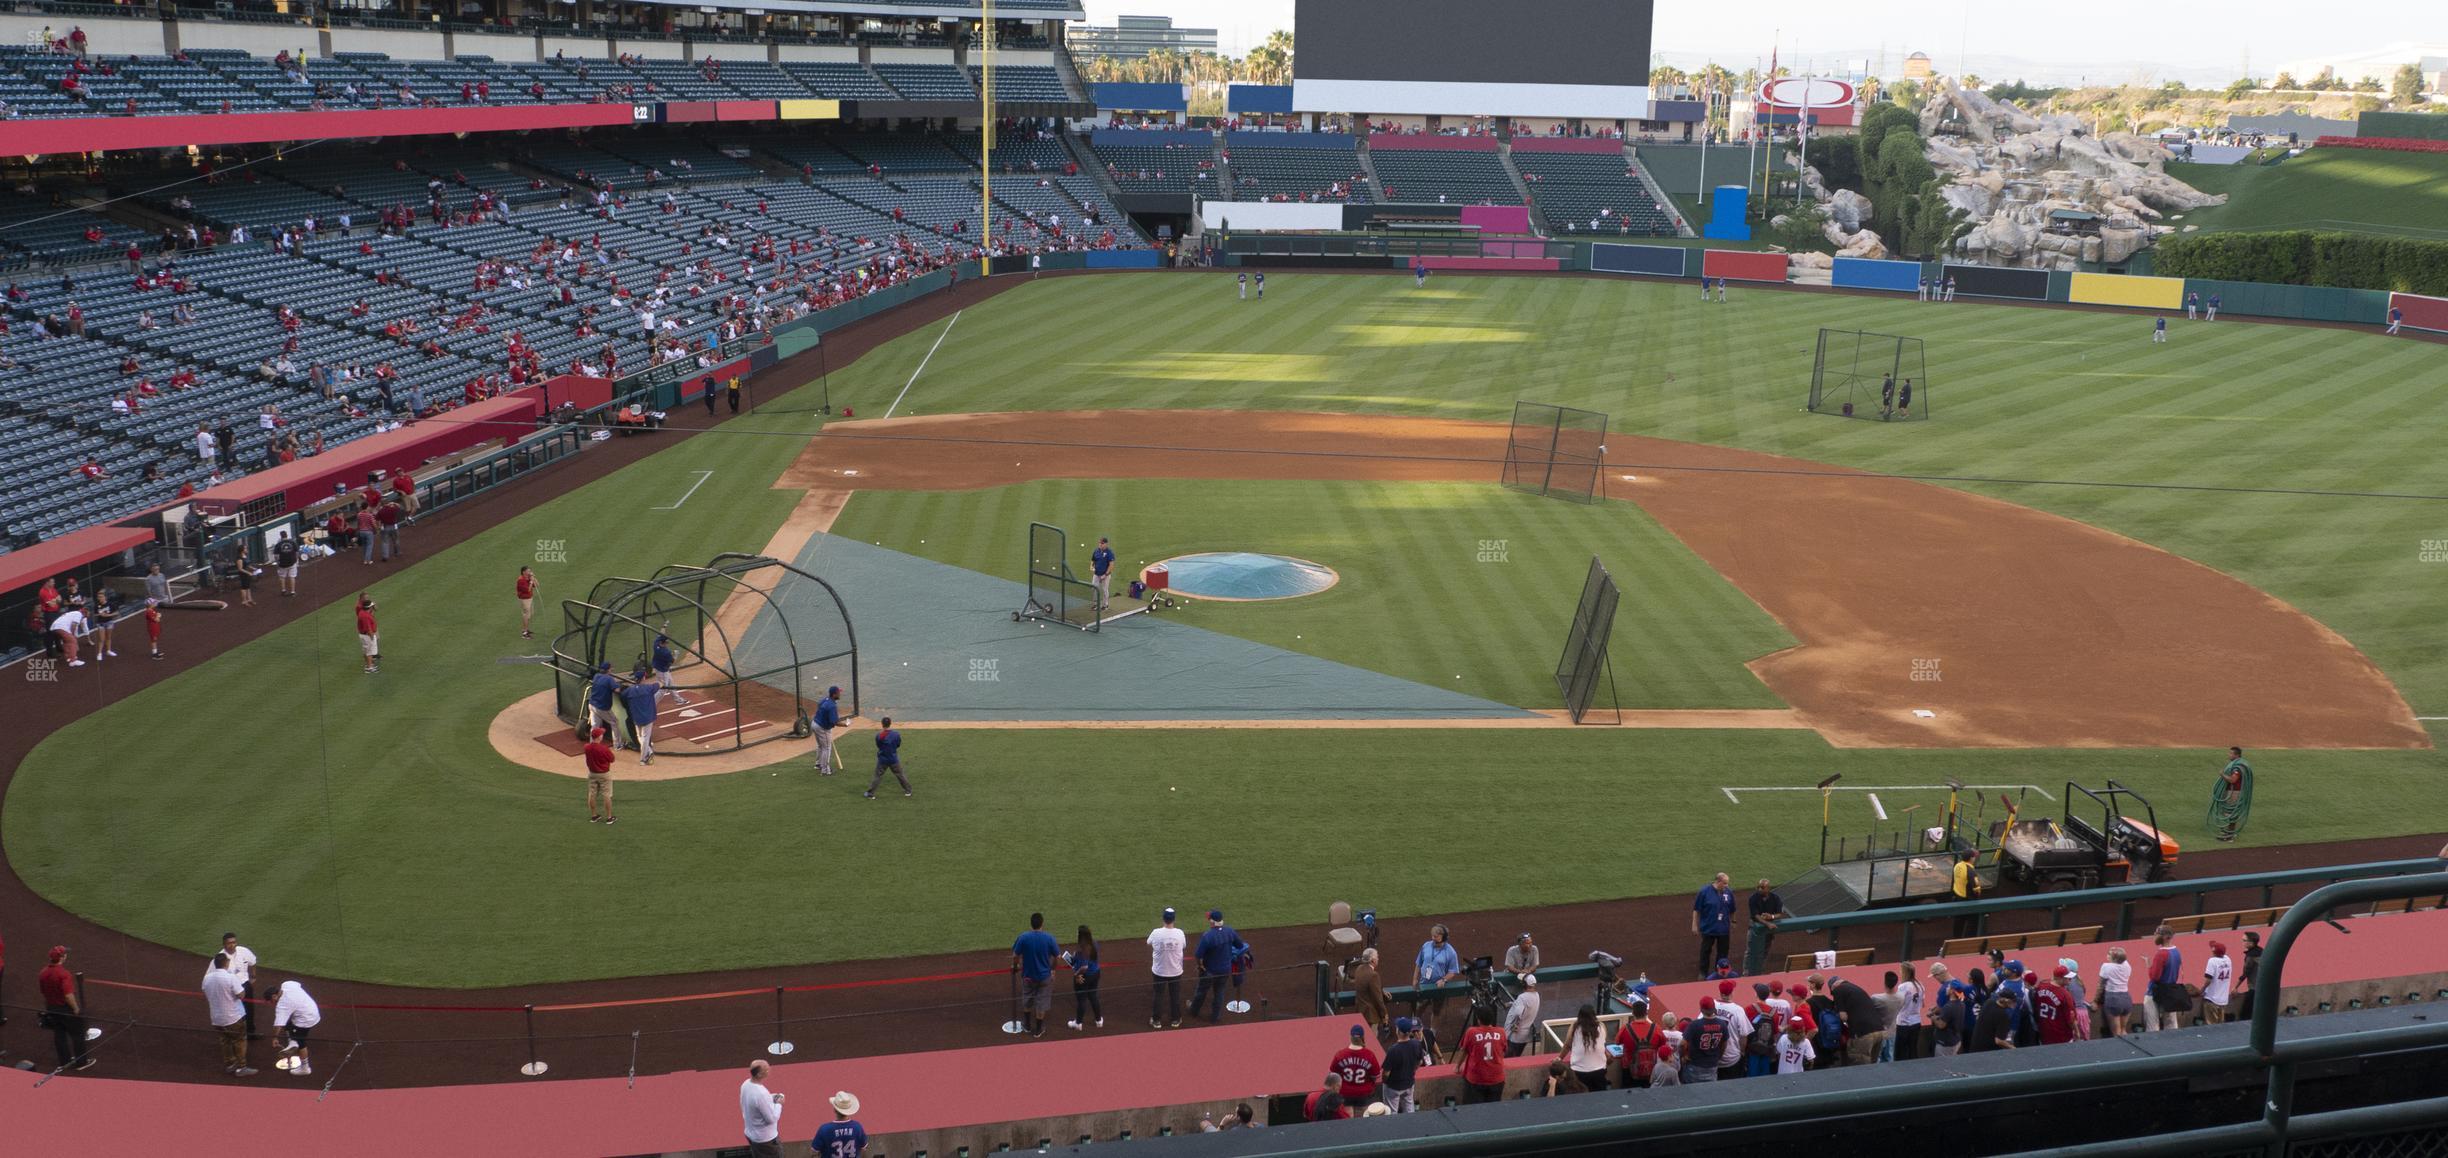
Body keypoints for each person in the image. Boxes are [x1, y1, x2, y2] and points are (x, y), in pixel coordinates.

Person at [39, 945, 93, 1071]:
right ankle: (81, 1062)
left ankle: (64, 1062)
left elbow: (43, 991)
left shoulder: (43, 973)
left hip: (51, 1007)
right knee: (78, 1034)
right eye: (64, 954)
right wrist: (75, 1009)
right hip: (65, 1008)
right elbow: (68, 995)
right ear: (62, 957)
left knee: (59, 1034)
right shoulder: (63, 974)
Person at [205, 951, 256, 1075]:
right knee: (240, 1040)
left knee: (225, 1041)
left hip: (216, 1018)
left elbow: (206, 992)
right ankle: (241, 1067)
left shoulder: (207, 978)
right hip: (233, 1016)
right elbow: (241, 995)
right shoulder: (230, 977)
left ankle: (230, 1065)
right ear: (226, 963)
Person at [1010, 912, 1061, 1037]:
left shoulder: (1023, 937)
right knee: (1041, 1003)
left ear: (1031, 924)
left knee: (1027, 999)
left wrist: (1016, 966)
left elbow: (1015, 955)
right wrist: (1053, 969)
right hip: (1044, 977)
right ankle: (1038, 1030)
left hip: (1028, 976)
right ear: (1042, 924)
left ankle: (1027, 1025)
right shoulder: (1049, 938)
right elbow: (1057, 957)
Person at [1192, 909, 1245, 1023]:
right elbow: (1240, 945)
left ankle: (1193, 1011)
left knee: (1201, 992)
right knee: (1219, 993)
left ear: (1212, 922)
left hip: (1209, 971)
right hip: (1225, 969)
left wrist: (1200, 966)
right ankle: (1215, 1017)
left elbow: (1198, 955)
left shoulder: (1208, 936)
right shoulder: (1230, 931)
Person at [1413, 924, 1461, 1034]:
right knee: (1419, 1007)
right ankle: (1415, 1029)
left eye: (1436, 937)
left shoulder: (1451, 952)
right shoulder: (1426, 945)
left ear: (1443, 937)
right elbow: (1418, 963)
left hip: (1438, 987)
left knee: (1436, 1010)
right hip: (1424, 983)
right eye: (1432, 936)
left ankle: (1432, 1033)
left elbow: (1452, 971)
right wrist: (1415, 979)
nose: (1433, 939)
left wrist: (1444, 980)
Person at [1457, 1005, 1509, 1103]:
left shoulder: (1471, 1032)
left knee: (1473, 1110)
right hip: (1497, 1078)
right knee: (1492, 1110)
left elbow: (1464, 1051)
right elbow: (1503, 1050)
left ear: (1479, 1019)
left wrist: (1457, 1067)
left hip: (1476, 1079)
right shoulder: (1501, 1032)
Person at [271, 977, 320, 1076]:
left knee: (300, 1041)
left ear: (274, 996)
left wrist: (275, 1037)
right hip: (313, 1010)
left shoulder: (282, 1005)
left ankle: (305, 1068)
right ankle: (293, 1042)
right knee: (289, 1021)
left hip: (305, 1019)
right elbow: (298, 984)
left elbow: (278, 1025)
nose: (272, 1003)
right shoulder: (287, 984)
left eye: (271, 1000)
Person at [1380, 1016, 1429, 1112]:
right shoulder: (1416, 1044)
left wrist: (1385, 1082)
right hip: (1409, 1083)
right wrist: (1412, 1070)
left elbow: (1386, 1074)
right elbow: (1420, 1062)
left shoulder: (1393, 1050)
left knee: (1391, 1112)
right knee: (1409, 1109)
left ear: (1399, 1031)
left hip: (1394, 1086)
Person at [2144, 924, 2188, 1032]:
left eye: (2156, 934)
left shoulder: (2161, 954)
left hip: (2155, 992)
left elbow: (2155, 977)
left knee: (2152, 1025)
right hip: (2170, 991)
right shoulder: (2176, 951)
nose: (2154, 935)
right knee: (2171, 1024)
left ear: (2163, 937)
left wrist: (2148, 965)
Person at [1147, 907, 1186, 1028]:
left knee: (1158, 995)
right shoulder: (1179, 933)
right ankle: (1176, 1019)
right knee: (1175, 995)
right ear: (1174, 919)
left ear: (1163, 918)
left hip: (1159, 971)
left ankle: (1156, 1020)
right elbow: (1184, 945)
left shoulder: (1156, 932)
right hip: (1176, 970)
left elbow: (1148, 942)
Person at [219, 931, 261, 1041]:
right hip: (231, 989)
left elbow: (253, 962)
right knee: (234, 1012)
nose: (232, 945)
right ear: (224, 944)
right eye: (229, 943)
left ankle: (251, 1033)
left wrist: (253, 976)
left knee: (249, 1010)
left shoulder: (243, 951)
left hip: (245, 985)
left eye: (234, 942)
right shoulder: (220, 957)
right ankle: (236, 1035)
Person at [1692, 873, 1736, 979]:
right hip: (1708, 928)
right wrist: (1694, 924)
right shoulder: (1704, 892)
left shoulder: (1728, 892)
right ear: (1718, 881)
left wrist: (1734, 921)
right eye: (1725, 883)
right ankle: (1703, 972)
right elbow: (1696, 909)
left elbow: (1732, 909)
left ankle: (1720, 971)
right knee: (1705, 951)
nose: (1726, 886)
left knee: (1723, 951)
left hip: (1723, 928)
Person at [740, 1058, 785, 1158]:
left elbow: (751, 1103)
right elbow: (771, 1119)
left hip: (752, 1134)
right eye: (767, 1070)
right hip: (766, 1140)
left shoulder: (746, 1084)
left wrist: (771, 1097)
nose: (769, 1071)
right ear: (759, 1074)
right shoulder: (761, 1094)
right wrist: (779, 1104)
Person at [1329, 1023, 1382, 1108]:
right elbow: (1376, 1075)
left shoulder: (1340, 1054)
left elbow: (1333, 1074)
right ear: (1363, 1037)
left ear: (1351, 1037)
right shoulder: (1369, 1055)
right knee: (1361, 1118)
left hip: (1345, 1092)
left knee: (1347, 1117)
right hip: (1364, 1093)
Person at [1561, 1003, 1609, 1092]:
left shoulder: (1575, 1027)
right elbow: (1602, 1043)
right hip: (1599, 1070)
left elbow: (1567, 1045)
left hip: (1578, 1071)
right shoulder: (1601, 1026)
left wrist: (1560, 1058)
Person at [1681, 1000, 1731, 1083]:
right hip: (1712, 1064)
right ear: (1714, 1008)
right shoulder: (1722, 1024)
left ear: (1701, 1009)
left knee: (1691, 1092)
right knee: (1709, 1091)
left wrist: (1684, 1055)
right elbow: (1724, 1044)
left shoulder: (1694, 1025)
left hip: (1695, 1064)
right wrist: (1718, 1056)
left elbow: (1682, 1044)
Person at [1351, 947, 1394, 1043]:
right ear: (1373, 960)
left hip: (1360, 1010)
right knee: (1372, 1042)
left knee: (1361, 1040)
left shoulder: (1359, 969)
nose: (1378, 959)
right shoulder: (1373, 975)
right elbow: (1378, 999)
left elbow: (1367, 986)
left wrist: (1381, 990)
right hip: (1371, 1015)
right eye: (1377, 957)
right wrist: (1384, 1014)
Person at [2211, 746, 2253, 842]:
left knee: (2231, 813)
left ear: (2236, 755)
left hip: (2234, 792)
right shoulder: (2235, 764)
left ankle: (2230, 836)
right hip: (2231, 791)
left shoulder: (2238, 767)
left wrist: (2222, 774)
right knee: (2228, 812)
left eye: (2231, 753)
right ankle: (2228, 832)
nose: (2229, 755)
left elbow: (2233, 780)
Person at [1066, 925, 1102, 1030]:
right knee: (1093, 996)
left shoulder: (1082, 948)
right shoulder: (1094, 943)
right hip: (1095, 973)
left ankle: (1078, 1023)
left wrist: (1076, 974)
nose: (1076, 934)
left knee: (1082, 999)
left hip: (1084, 976)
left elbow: (1084, 966)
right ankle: (1099, 1021)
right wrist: (1076, 956)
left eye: (1077, 933)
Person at [621, 672, 661, 764]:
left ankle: (649, 751)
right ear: (643, 678)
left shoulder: (630, 690)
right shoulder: (648, 688)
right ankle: (643, 759)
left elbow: (622, 695)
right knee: (645, 738)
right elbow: (659, 684)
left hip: (636, 718)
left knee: (640, 736)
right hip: (647, 718)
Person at [865, 716, 909, 798]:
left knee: (877, 776)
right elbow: (898, 744)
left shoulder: (879, 735)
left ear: (882, 724)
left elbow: (878, 746)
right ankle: (908, 791)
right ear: (890, 723)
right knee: (900, 774)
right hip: (893, 758)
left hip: (883, 759)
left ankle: (871, 794)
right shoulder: (896, 734)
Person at [813, 1090, 866, 1157]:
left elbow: (814, 1152)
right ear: (849, 1109)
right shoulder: (858, 1127)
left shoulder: (824, 1129)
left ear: (835, 1109)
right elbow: (863, 1148)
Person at [2033, 966, 2076, 1045]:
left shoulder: (2041, 986)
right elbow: (2071, 1019)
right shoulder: (2065, 995)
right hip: (2062, 1036)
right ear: (2060, 978)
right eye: (2067, 978)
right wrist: (2077, 1031)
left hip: (2044, 1034)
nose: (2070, 980)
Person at [1502, 972, 1542, 1056]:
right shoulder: (1536, 995)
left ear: (1525, 984)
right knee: (1516, 1057)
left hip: (1515, 1036)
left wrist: (1515, 1025)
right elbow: (1526, 1005)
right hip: (1525, 1035)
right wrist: (1511, 1003)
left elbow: (1518, 1013)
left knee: (1509, 1059)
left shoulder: (1522, 997)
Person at [1892, 961, 1925, 1059]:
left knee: (1900, 1052)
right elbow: (1922, 1004)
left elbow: (1898, 1003)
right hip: (1916, 1021)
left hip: (1903, 1022)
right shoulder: (1920, 985)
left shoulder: (1903, 986)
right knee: (1913, 1049)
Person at [584, 726, 616, 823]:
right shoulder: (604, 749)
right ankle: (609, 818)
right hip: (604, 774)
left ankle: (594, 816)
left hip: (592, 774)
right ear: (598, 737)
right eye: (601, 734)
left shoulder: (586, 747)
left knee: (592, 794)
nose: (602, 735)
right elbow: (612, 759)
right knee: (607, 795)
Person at [2099, 947, 2134, 1036]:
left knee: (2116, 1033)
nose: (2107, 955)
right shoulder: (2127, 966)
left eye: (2109, 954)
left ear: (2113, 958)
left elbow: (2100, 985)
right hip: (2126, 998)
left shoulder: (2106, 967)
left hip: (2113, 999)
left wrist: (2096, 1000)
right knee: (2123, 1030)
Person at [586, 661, 621, 746]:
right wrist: (618, 686)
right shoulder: (609, 679)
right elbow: (617, 690)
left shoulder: (596, 676)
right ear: (608, 670)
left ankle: (593, 745)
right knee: (615, 722)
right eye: (610, 668)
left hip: (591, 705)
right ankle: (618, 745)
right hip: (601, 707)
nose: (611, 669)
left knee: (595, 726)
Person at [2201, 941, 2235, 1025]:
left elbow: (2208, 979)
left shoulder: (2212, 961)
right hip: (2223, 999)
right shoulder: (2228, 959)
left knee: (2211, 1024)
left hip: (2212, 999)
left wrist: (2202, 989)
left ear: (2213, 951)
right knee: (2220, 1025)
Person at [1929, 983, 1967, 1057]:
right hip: (1956, 1040)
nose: (1946, 988)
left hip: (1945, 1044)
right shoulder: (1962, 1004)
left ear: (1952, 991)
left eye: (1949, 987)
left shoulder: (1948, 1007)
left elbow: (1941, 1025)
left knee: (1942, 1065)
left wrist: (1933, 1017)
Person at [812, 685, 843, 774]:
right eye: (838, 692)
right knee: (826, 748)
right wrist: (845, 725)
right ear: (834, 695)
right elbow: (835, 722)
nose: (840, 694)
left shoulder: (825, 699)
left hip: (814, 724)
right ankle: (825, 770)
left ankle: (818, 764)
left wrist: (823, 715)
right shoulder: (832, 706)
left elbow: (819, 704)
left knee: (820, 746)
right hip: (821, 728)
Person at [651, 634, 688, 707]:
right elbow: (672, 661)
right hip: (663, 671)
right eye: (666, 642)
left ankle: (678, 699)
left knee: (671, 684)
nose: (667, 644)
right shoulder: (665, 652)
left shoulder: (656, 644)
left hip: (658, 668)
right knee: (663, 689)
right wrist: (676, 655)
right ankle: (651, 704)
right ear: (663, 642)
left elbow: (660, 635)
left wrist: (664, 627)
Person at [355, 594, 378, 675]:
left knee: (366, 651)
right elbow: (368, 628)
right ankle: (369, 668)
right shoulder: (365, 616)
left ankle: (368, 665)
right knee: (369, 652)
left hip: (364, 635)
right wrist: (372, 636)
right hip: (367, 635)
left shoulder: (362, 612)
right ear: (369, 607)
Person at [1090, 537, 1115, 610]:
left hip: (1105, 575)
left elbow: (1111, 565)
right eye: (1099, 543)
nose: (1100, 544)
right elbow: (1093, 560)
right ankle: (1095, 604)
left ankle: (1105, 605)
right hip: (1096, 574)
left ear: (1106, 544)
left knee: (1104, 590)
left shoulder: (1109, 553)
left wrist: (1105, 574)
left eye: (1102, 543)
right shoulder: (1096, 551)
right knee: (1093, 588)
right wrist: (1091, 566)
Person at [515, 566, 537, 637]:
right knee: (526, 615)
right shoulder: (521, 580)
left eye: (530, 571)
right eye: (528, 571)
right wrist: (531, 581)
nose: (530, 572)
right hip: (524, 600)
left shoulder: (528, 578)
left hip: (529, 598)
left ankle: (526, 629)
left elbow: (537, 585)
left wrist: (534, 578)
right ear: (524, 572)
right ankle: (525, 633)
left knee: (529, 615)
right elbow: (528, 590)